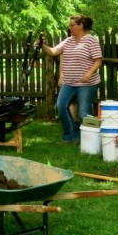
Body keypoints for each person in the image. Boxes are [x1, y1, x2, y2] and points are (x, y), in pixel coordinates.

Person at [38, 14, 102, 144]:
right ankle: (71, 136)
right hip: (69, 82)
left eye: (72, 25)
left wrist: (89, 73)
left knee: (84, 112)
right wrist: (42, 45)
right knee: (61, 106)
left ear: (81, 26)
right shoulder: (68, 41)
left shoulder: (91, 40)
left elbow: (98, 61)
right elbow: (53, 51)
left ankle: (89, 141)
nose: (70, 28)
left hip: (87, 84)